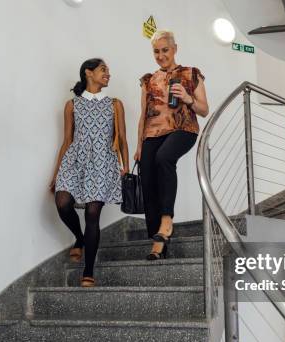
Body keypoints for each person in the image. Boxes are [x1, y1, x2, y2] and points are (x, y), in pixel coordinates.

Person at [50, 58, 129, 287]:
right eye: (104, 70)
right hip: (74, 159)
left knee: (93, 214)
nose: (108, 74)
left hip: (103, 161)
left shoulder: (115, 104)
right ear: (88, 73)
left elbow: (122, 137)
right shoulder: (71, 105)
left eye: (108, 71)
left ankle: (88, 271)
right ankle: (80, 238)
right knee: (62, 203)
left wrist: (124, 166)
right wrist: (56, 173)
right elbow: (67, 141)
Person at [134, 30, 209, 260]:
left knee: (164, 158)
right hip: (152, 133)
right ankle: (159, 242)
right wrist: (139, 146)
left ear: (175, 48)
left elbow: (204, 110)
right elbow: (143, 115)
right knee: (147, 177)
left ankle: (167, 220)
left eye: (165, 50)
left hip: (182, 129)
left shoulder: (191, 73)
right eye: (156, 51)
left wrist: (187, 98)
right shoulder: (148, 80)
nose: (160, 55)